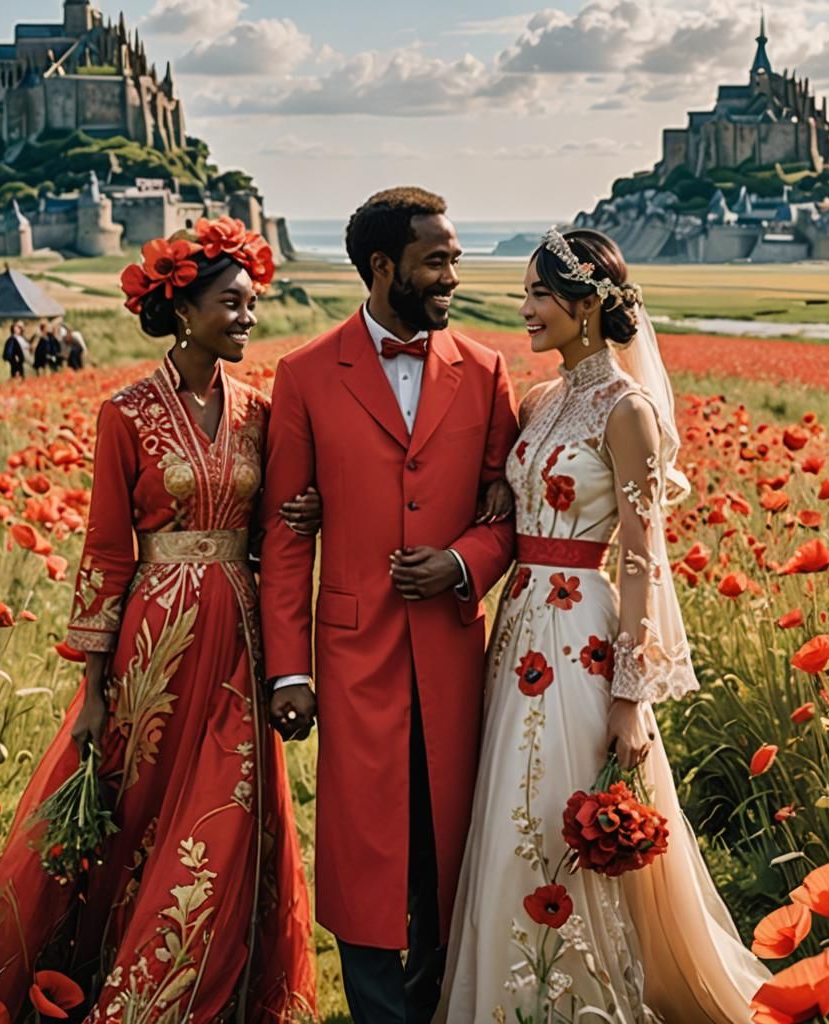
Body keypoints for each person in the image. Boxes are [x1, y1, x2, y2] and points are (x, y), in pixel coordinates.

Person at [0, 218, 318, 1023]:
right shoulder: (124, 413)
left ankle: (208, 991)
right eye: (232, 304)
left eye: (254, 303)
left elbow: (274, 527)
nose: (248, 318)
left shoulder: (262, 413)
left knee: (229, 805)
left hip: (238, 632)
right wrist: (92, 689)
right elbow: (104, 550)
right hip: (153, 642)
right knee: (139, 812)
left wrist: (305, 512)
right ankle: (105, 967)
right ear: (184, 309)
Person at [439, 228, 768, 1022]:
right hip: (519, 623)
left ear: (587, 306)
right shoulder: (540, 400)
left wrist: (628, 694)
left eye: (538, 295)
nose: (524, 310)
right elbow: (509, 494)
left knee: (566, 801)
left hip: (583, 629)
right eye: (522, 294)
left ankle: (583, 996)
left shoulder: (631, 412)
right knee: (510, 803)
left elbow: (643, 558)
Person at [259, 187, 519, 1024]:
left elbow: (509, 515)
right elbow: (289, 534)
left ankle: (437, 999)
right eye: (435, 260)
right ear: (382, 267)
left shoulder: (485, 372)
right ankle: (375, 1009)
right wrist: (288, 670)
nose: (452, 274)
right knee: (361, 843)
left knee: (445, 835)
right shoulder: (302, 375)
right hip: (348, 652)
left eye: (453, 257)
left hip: (450, 645)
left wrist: (459, 561)